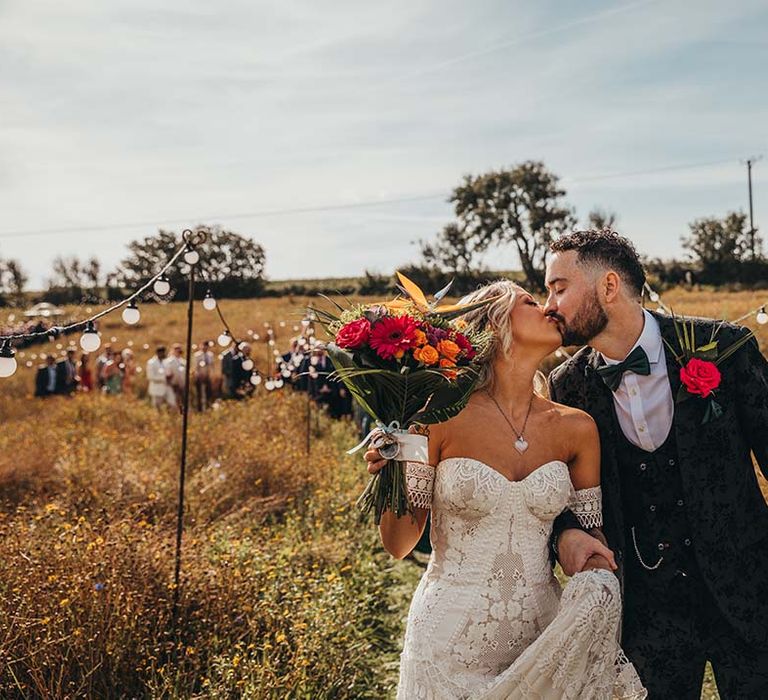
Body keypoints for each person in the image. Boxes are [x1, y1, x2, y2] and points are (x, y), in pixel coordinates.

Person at [364, 280, 645, 699]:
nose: (549, 308)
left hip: (542, 643)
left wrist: (593, 573)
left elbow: (592, 534)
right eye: (530, 302)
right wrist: (395, 464)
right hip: (447, 643)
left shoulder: (576, 428)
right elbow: (399, 544)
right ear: (493, 326)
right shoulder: (437, 418)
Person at [545, 229, 768, 698]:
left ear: (609, 286)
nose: (549, 305)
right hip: (647, 612)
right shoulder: (568, 386)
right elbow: (557, 491)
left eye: (559, 287)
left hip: (750, 591)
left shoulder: (723, 348)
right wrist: (567, 532)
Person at [146, 346, 175, 410]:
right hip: (157, 388)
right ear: (158, 353)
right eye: (162, 353)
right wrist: (164, 378)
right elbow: (150, 376)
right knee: (157, 407)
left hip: (167, 386)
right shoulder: (151, 363)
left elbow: (168, 372)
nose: (164, 354)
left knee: (172, 403)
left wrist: (170, 376)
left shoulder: (166, 362)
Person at [193, 340, 215, 411]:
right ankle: (199, 409)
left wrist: (211, 375)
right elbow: (195, 367)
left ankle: (208, 407)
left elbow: (212, 366)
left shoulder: (210, 355)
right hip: (199, 377)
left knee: (208, 393)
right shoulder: (197, 355)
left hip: (207, 376)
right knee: (199, 394)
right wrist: (198, 375)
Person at [165, 343, 187, 410]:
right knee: (172, 402)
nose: (178, 351)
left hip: (182, 385)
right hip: (172, 385)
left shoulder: (184, 361)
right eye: (176, 349)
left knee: (181, 402)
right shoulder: (168, 361)